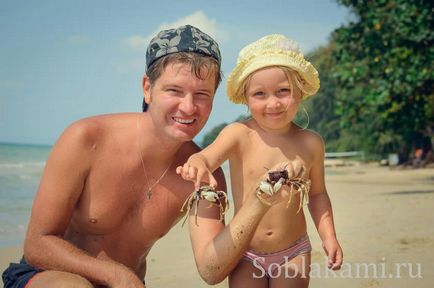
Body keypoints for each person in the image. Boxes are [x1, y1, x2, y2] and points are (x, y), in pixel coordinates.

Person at [2, 25, 300, 288]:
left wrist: (259, 203)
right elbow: (37, 243)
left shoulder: (203, 175)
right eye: (174, 90)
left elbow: (211, 270)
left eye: (202, 94)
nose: (188, 107)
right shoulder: (86, 139)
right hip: (48, 276)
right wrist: (116, 275)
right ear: (148, 88)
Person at [177, 34, 343, 287]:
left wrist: (329, 236)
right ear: (245, 97)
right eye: (260, 94)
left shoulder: (311, 142)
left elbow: (318, 194)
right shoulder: (238, 134)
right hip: (245, 252)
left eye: (283, 91)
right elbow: (205, 156)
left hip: (293, 251)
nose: (273, 103)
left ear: (300, 91)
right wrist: (197, 165)